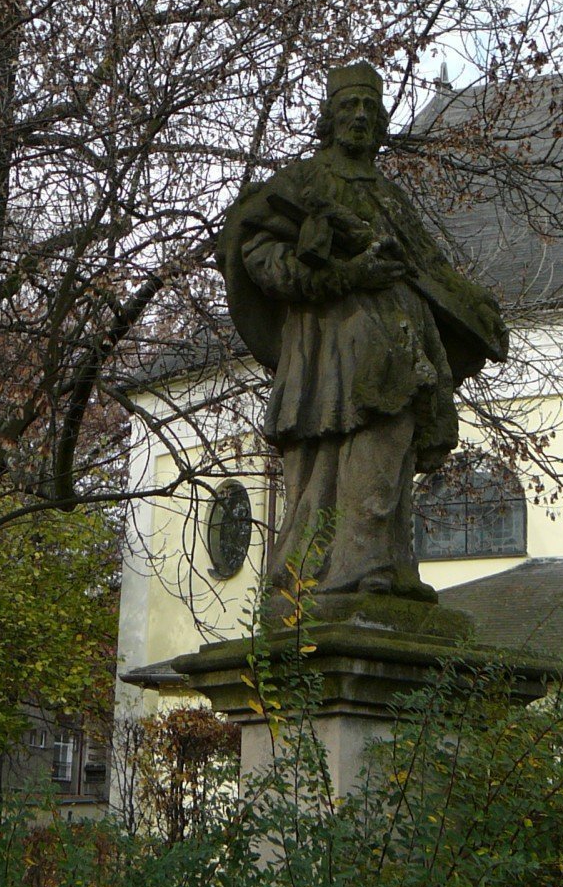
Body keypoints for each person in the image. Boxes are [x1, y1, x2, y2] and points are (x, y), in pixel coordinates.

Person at [217, 62, 508, 606]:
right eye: (348, 106)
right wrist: (346, 274)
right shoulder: (301, 184)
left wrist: (476, 306)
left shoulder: (388, 196)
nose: (359, 117)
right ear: (328, 118)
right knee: (320, 469)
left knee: (388, 450)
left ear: (380, 123)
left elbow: (431, 268)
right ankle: (329, 576)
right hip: (328, 346)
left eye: (370, 109)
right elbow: (260, 256)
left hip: (396, 345)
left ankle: (382, 566)